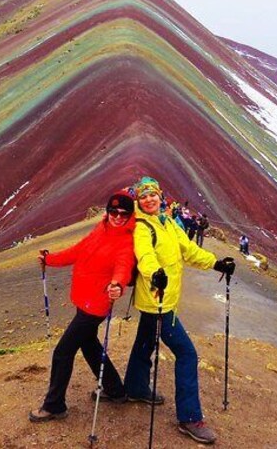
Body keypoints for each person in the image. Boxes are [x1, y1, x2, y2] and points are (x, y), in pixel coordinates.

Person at [124, 176, 233, 445]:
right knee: (187, 353)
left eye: (153, 195)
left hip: (164, 300)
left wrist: (216, 263)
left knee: (145, 343)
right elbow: (144, 256)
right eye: (144, 196)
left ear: (161, 197)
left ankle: (135, 387)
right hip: (157, 301)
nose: (149, 199)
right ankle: (189, 417)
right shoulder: (141, 227)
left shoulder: (169, 223)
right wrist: (155, 273)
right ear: (139, 200)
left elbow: (189, 250)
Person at [29, 191, 136, 422]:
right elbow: (77, 251)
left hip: (95, 306)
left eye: (124, 214)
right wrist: (50, 259)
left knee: (63, 352)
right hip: (83, 299)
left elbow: (123, 267)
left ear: (130, 216)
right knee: (89, 346)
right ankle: (115, 390)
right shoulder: (100, 230)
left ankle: (54, 405)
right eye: (113, 211)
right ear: (107, 212)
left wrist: (117, 284)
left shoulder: (126, 242)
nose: (118, 216)